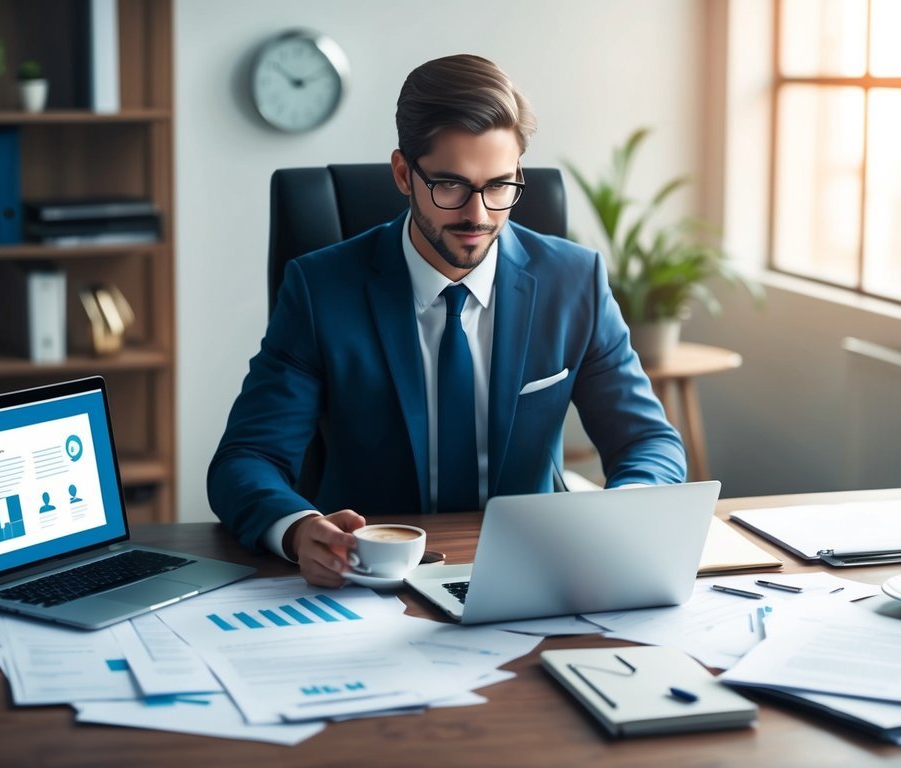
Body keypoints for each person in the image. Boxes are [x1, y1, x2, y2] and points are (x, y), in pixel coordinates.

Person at [209, 54, 685, 587]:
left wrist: (629, 506)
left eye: (500, 186)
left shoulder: (574, 282)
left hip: (532, 572)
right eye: (451, 186)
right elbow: (246, 460)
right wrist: (298, 531)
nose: (478, 215)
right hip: (369, 579)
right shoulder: (322, 290)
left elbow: (649, 441)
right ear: (402, 174)